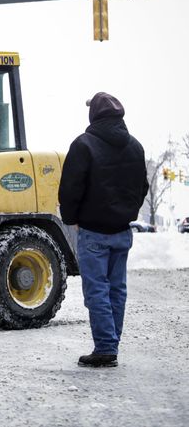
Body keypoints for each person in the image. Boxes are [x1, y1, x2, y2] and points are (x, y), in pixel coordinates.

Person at [58, 92, 149, 368]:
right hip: (122, 232)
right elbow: (142, 187)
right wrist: (127, 212)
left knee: (97, 290)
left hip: (93, 232)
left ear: (94, 115)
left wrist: (71, 217)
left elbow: (70, 188)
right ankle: (111, 344)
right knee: (116, 290)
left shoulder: (83, 145)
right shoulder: (135, 147)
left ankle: (106, 347)